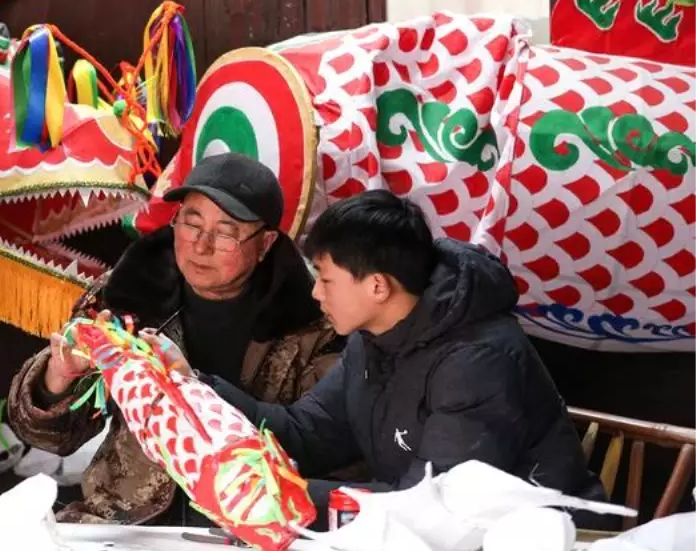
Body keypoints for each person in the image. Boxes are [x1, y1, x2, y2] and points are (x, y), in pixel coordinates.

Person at [196, 189, 608, 528]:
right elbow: (308, 433)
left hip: (544, 546)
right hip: (440, 542)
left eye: (325, 279)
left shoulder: (479, 361)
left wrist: (284, 497)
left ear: (377, 286)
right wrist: (198, 391)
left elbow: (433, 507)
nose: (316, 294)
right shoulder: (371, 337)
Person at [6, 152, 345, 526]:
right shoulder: (125, 296)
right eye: (191, 223)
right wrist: (58, 379)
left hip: (253, 528)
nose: (201, 246)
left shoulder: (314, 320)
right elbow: (49, 437)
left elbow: (321, 444)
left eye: (227, 233)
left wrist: (195, 390)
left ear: (264, 244)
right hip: (125, 523)